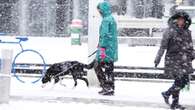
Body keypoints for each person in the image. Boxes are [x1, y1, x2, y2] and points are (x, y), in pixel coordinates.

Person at [154, 11, 194, 109]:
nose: (181, 22)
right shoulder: (169, 31)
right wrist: (158, 58)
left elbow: (190, 46)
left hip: (184, 61)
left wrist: (192, 55)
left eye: (183, 20)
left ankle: (168, 95)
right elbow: (163, 46)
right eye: (179, 20)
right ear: (175, 20)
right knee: (179, 81)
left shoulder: (187, 32)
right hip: (173, 60)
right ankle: (173, 100)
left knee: (183, 81)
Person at [94, 1, 118, 96]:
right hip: (111, 48)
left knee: (97, 66)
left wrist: (101, 47)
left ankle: (106, 86)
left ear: (102, 10)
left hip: (105, 49)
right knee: (109, 69)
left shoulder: (106, 20)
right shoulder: (111, 19)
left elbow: (104, 35)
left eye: (99, 10)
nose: (99, 12)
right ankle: (111, 87)